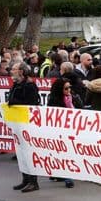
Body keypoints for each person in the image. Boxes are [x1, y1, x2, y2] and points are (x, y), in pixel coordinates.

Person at [7, 63, 42, 193]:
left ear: (21, 71)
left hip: (26, 123)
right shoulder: (17, 83)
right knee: (21, 152)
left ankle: (34, 181)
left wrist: (14, 102)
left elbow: (30, 104)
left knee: (28, 152)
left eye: (14, 69)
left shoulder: (29, 85)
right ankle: (25, 179)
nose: (11, 71)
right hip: (17, 122)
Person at [46, 78, 82, 189]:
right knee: (60, 153)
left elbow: (81, 109)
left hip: (72, 130)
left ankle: (66, 176)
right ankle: (63, 176)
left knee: (69, 153)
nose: (69, 90)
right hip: (59, 131)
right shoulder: (53, 100)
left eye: (70, 87)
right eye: (66, 88)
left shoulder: (74, 97)